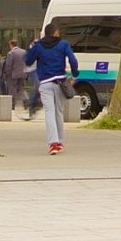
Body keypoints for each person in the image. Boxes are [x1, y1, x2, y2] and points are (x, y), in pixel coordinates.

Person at [23, 23, 79, 155]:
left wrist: (33, 49)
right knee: (58, 112)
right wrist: (75, 73)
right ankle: (59, 141)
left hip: (45, 83)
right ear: (56, 33)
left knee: (49, 112)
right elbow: (73, 60)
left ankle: (53, 143)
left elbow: (28, 61)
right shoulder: (63, 44)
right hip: (60, 82)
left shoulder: (38, 46)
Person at [0, 37, 31, 117]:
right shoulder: (24, 52)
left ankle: (12, 106)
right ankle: (26, 101)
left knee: (12, 90)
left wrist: (6, 74)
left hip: (13, 75)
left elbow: (8, 65)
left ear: (11, 45)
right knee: (22, 89)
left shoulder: (11, 53)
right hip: (23, 74)